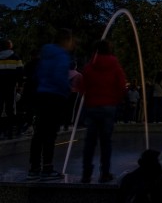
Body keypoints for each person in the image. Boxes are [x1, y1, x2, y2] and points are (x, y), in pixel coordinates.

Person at [27, 28, 75, 180]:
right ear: (65, 41)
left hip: (41, 94)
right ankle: (47, 168)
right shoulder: (62, 55)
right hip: (55, 97)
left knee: (39, 133)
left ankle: (34, 168)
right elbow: (60, 76)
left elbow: (37, 74)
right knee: (50, 133)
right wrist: (67, 90)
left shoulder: (45, 53)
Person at [80, 39, 127, 183]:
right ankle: (105, 173)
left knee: (90, 141)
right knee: (106, 142)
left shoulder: (90, 66)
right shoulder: (115, 66)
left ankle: (86, 173)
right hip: (108, 108)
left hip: (92, 107)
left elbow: (82, 85)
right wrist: (115, 100)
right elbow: (122, 86)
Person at [0, 39, 24, 140]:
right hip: (11, 87)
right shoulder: (16, 57)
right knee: (10, 109)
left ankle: (1, 131)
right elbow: (20, 73)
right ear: (10, 46)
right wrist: (20, 86)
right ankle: (9, 132)